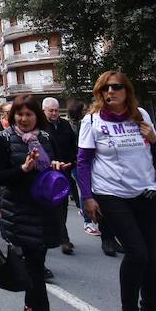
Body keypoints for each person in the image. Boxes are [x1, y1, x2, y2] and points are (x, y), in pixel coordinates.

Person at [78, 71, 156, 311]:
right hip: (110, 194)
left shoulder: (141, 115)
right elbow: (83, 161)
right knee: (137, 253)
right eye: (105, 89)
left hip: (146, 192)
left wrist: (155, 139)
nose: (110, 92)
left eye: (116, 87)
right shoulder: (92, 120)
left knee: (150, 258)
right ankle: (129, 309)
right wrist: (87, 197)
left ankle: (150, 309)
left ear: (127, 91)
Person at [0, 97, 69, 311]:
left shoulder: (46, 137)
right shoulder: (3, 138)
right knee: (35, 268)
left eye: (29, 114)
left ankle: (29, 306)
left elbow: (53, 164)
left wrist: (57, 166)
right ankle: (39, 309)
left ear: (38, 116)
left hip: (45, 209)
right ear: (13, 116)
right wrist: (23, 169)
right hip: (19, 212)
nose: (24, 119)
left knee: (35, 265)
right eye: (19, 114)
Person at [42, 97, 77, 255]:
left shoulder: (64, 124)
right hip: (47, 173)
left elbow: (72, 144)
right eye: (51, 110)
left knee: (61, 206)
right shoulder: (40, 126)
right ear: (44, 111)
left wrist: (72, 162)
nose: (55, 113)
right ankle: (60, 237)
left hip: (64, 171)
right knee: (50, 207)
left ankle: (62, 237)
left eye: (56, 110)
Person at [65, 98, 99, 236]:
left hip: (87, 162)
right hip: (77, 162)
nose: (87, 111)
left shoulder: (87, 122)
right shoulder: (73, 126)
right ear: (78, 112)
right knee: (85, 190)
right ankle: (87, 221)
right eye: (84, 110)